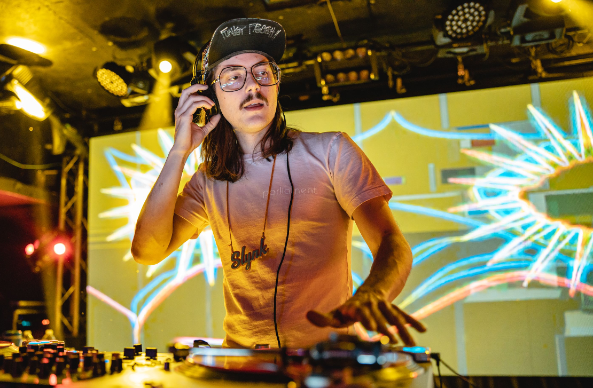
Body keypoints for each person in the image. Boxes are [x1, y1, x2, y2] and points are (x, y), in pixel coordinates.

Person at [132, 17, 426, 349]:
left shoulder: (331, 151)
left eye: (262, 73)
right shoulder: (207, 182)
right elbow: (146, 251)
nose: (252, 86)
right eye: (233, 77)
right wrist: (179, 152)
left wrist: (373, 292)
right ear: (209, 96)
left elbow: (390, 241)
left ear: (276, 84)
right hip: (242, 366)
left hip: (323, 364)